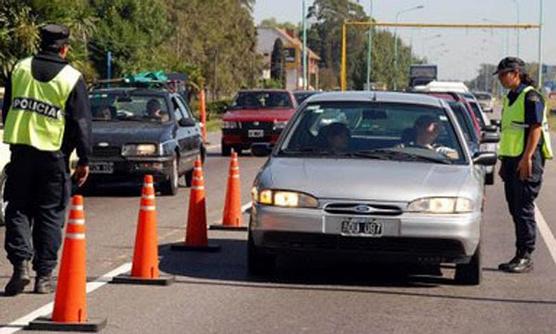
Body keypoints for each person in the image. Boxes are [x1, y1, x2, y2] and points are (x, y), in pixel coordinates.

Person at [1, 24, 92, 295]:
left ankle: (20, 266)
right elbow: (82, 122)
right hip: (54, 156)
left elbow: (8, 110)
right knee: (49, 214)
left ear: (39, 44)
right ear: (64, 48)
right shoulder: (71, 77)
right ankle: (44, 276)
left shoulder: (20, 68)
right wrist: (85, 159)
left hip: (21, 152)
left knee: (17, 208)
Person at [494, 57, 553, 273]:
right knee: (514, 208)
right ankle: (519, 254)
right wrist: (504, 161)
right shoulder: (511, 98)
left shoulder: (531, 97)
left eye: (503, 74)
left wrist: (527, 157)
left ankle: (525, 255)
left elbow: (535, 128)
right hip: (512, 159)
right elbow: (510, 132)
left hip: (527, 159)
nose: (501, 78)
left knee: (524, 208)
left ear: (516, 73)